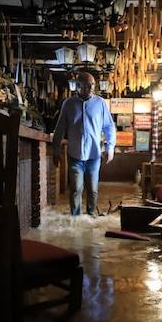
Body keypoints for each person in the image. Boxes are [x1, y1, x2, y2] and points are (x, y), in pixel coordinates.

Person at [52, 71, 116, 216]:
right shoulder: (68, 104)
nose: (91, 88)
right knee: (76, 189)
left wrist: (110, 147)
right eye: (87, 85)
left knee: (93, 190)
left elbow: (109, 126)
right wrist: (56, 151)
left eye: (92, 85)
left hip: (94, 155)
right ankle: (76, 221)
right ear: (78, 86)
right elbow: (60, 128)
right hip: (75, 155)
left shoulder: (100, 103)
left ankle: (90, 219)